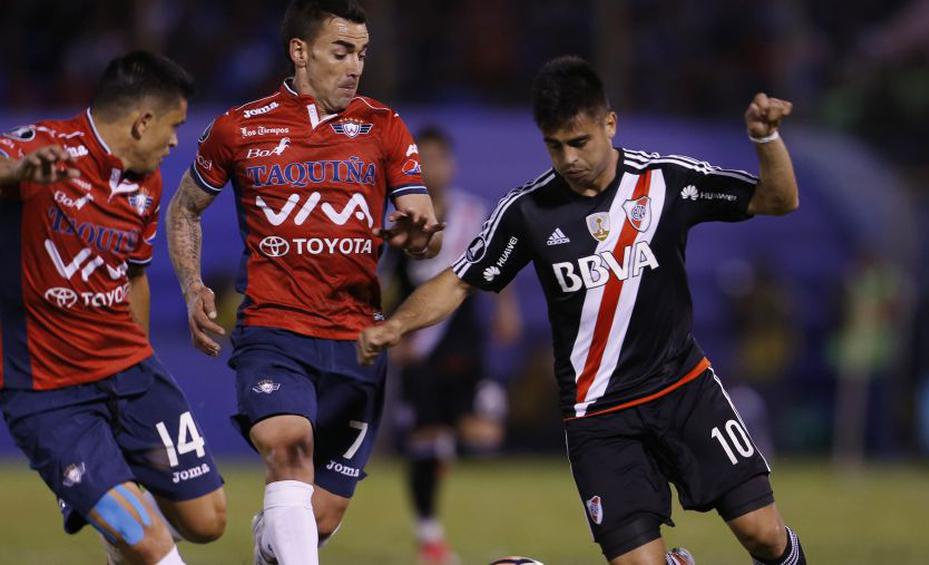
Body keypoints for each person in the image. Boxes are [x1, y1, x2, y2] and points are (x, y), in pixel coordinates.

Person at [359, 55, 806, 565]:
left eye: (579, 142)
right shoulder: (527, 211)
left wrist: (766, 139)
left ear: (609, 124)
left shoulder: (665, 182)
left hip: (684, 391)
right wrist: (394, 325)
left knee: (765, 535)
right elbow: (459, 280)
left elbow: (778, 199)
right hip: (598, 416)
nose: (568, 158)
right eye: (554, 146)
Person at [165, 1, 442, 563]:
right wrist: (193, 283)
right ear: (300, 51)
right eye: (341, 52)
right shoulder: (238, 128)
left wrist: (420, 234)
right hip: (275, 330)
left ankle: (271, 542)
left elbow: (423, 220)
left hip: (358, 342)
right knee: (289, 449)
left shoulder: (384, 126)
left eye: (362, 54)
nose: (354, 66)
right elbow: (184, 209)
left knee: (316, 517)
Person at [0, 51, 226, 565]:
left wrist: (140, 360)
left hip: (130, 375)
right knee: (150, 542)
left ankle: (111, 514)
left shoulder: (147, 183)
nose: (175, 142)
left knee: (207, 521)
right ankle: (112, 513)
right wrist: (17, 170)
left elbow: (134, 276)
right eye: (174, 127)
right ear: (143, 121)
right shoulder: (44, 148)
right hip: (48, 393)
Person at [383, 126, 522, 564]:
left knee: (483, 435)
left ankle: (458, 435)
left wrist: (505, 309)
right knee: (426, 438)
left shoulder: (471, 214)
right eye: (421, 161)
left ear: (451, 164)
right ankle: (430, 536)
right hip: (417, 345)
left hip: (462, 338)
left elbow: (493, 266)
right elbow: (382, 281)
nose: (430, 169)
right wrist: (389, 329)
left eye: (437, 159)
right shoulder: (400, 217)